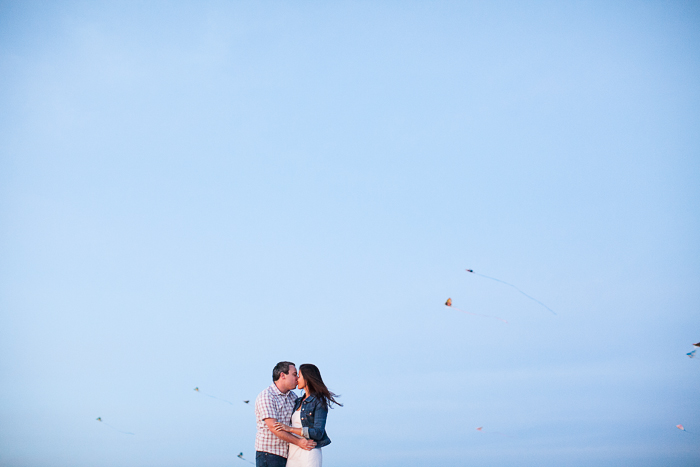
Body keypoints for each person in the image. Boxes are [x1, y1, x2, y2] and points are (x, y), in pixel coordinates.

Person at [273, 364, 342, 467]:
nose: (296, 379)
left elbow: (318, 432)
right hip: (293, 452)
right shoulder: (297, 401)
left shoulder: (318, 401)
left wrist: (290, 429)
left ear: (307, 378)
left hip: (309, 452)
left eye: (299, 376)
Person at [255, 362, 317, 467]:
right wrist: (299, 442)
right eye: (294, 374)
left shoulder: (293, 397)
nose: (297, 378)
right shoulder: (267, 396)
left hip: (287, 454)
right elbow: (274, 427)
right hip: (269, 453)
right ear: (282, 375)